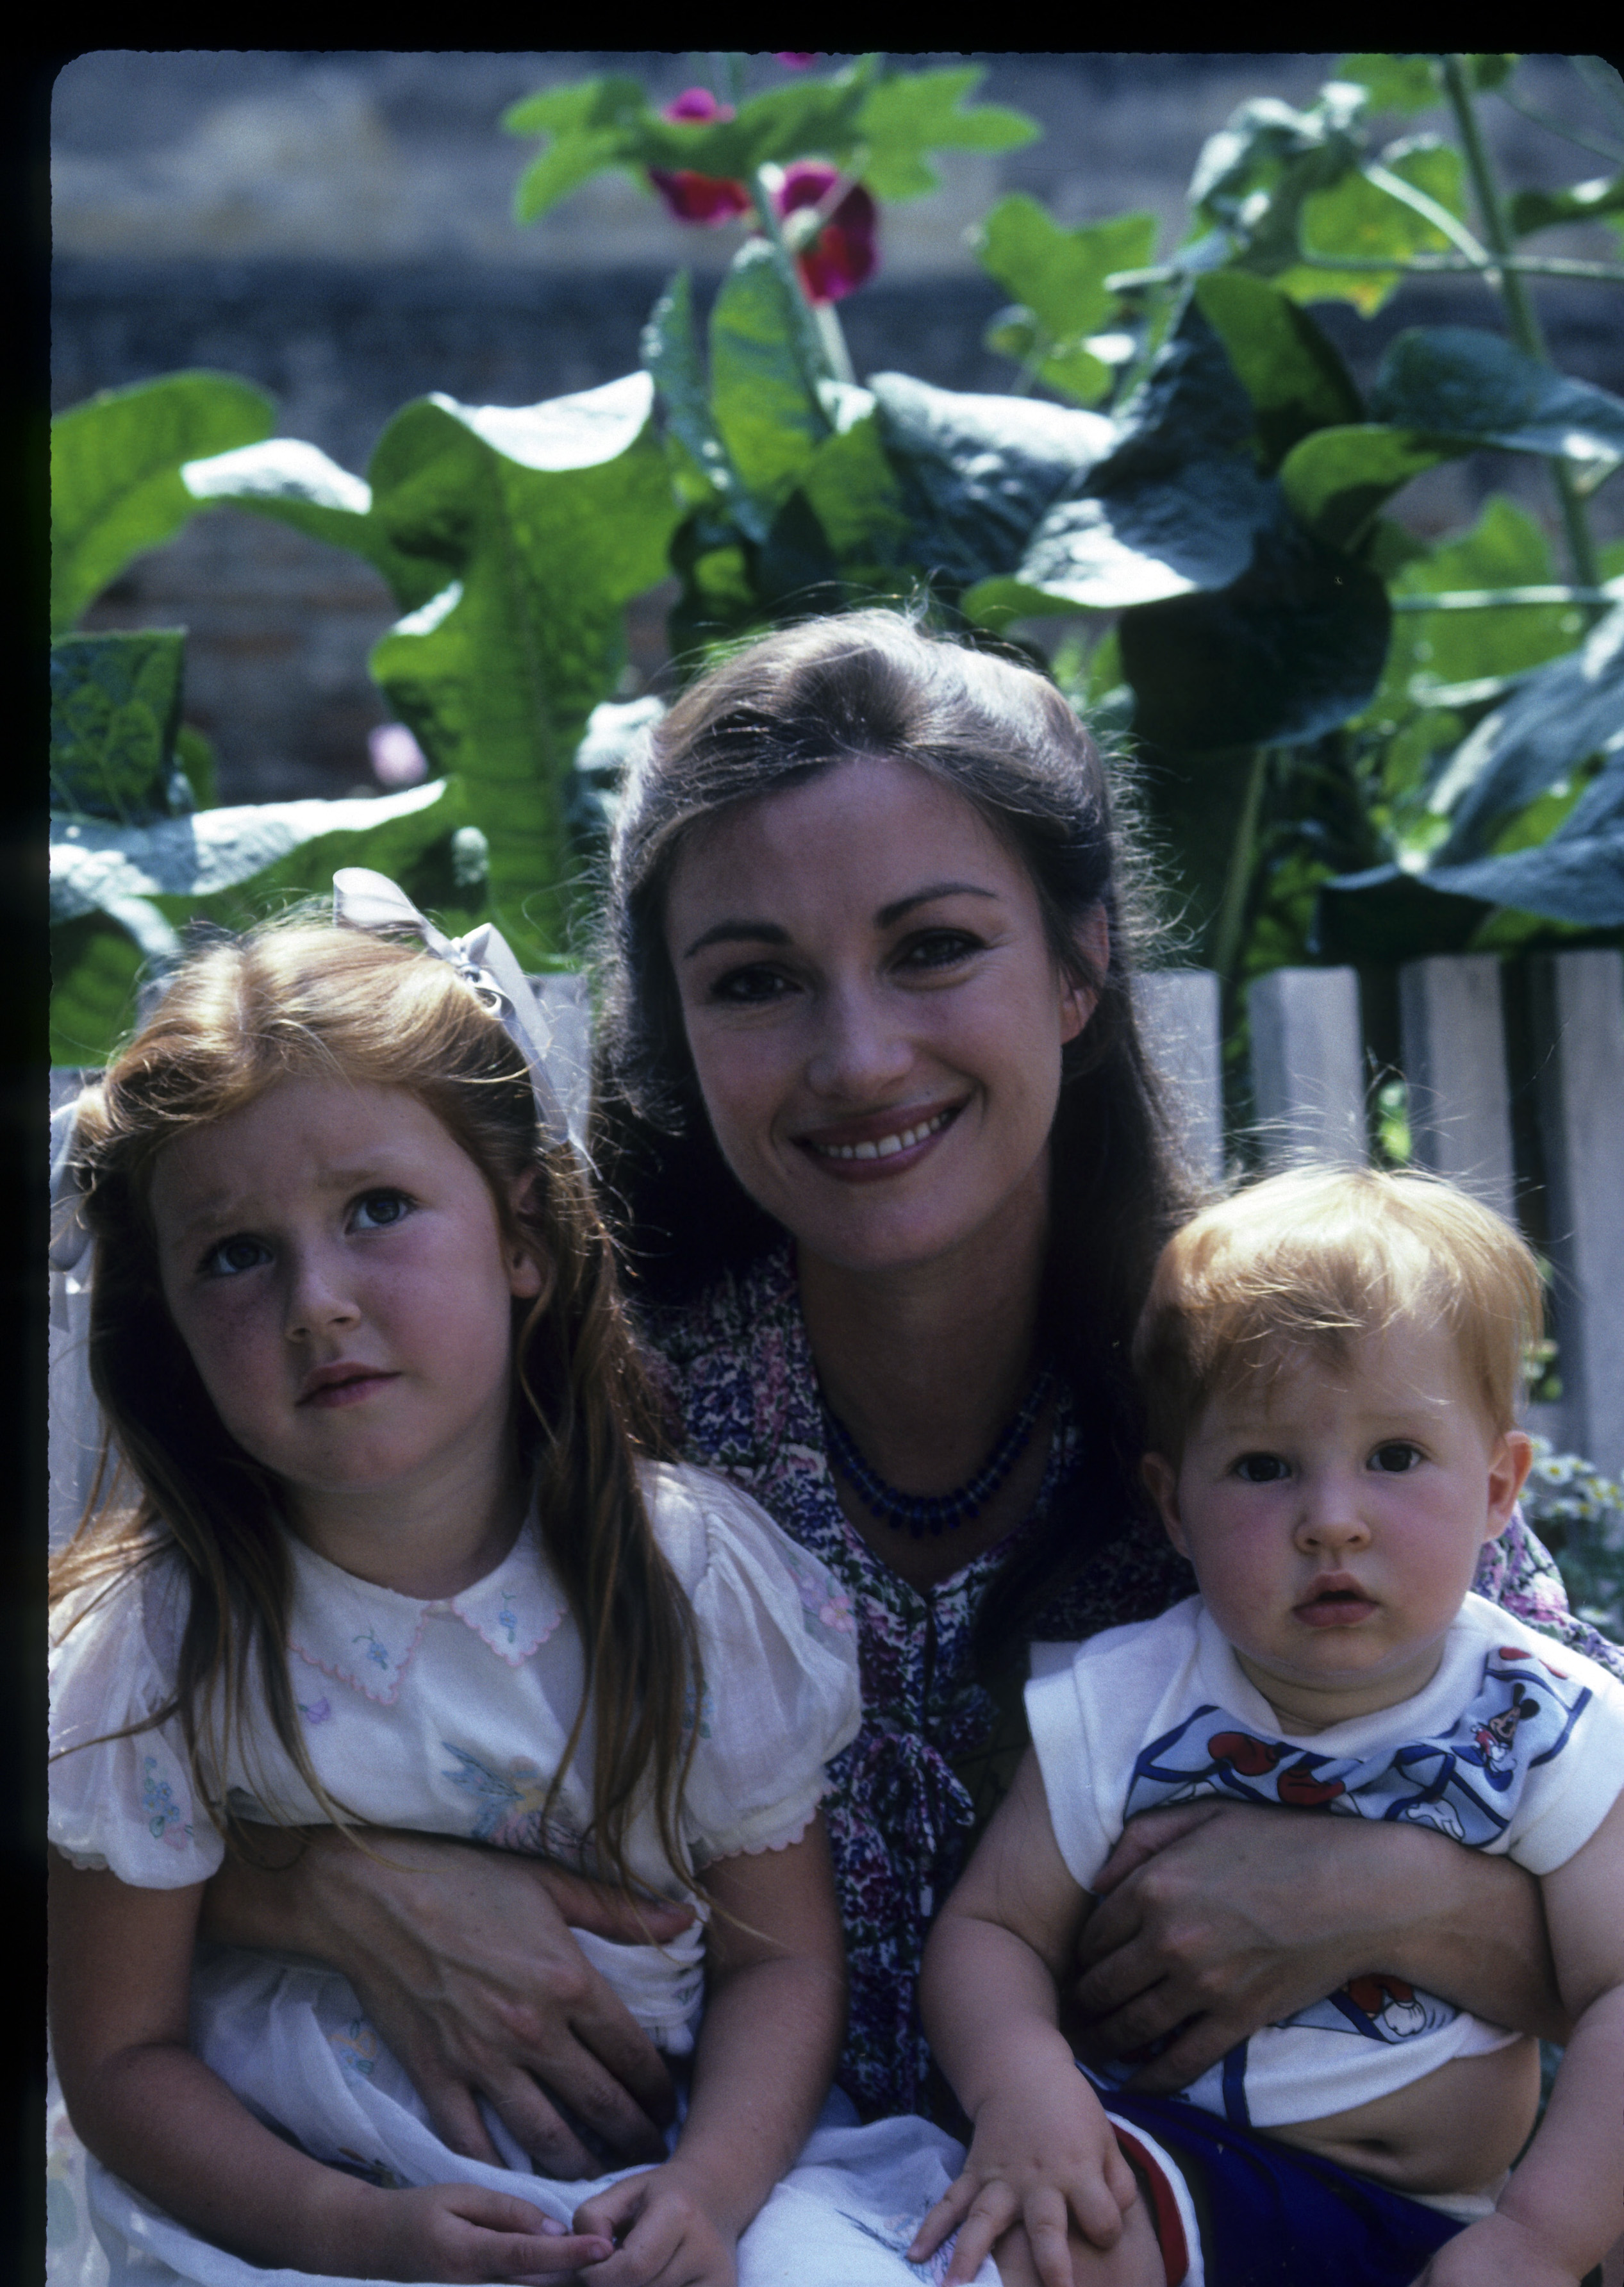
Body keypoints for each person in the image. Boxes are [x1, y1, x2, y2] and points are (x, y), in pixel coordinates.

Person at [174, 611, 1618, 2183]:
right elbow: (117, 1737)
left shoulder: (1290, 1395)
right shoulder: (552, 1416)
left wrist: (1416, 1903)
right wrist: (313, 1886)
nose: (856, 1055)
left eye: (933, 948)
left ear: (1078, 965)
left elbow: (1568, 1775)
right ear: (675, 1026)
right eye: (755, 981)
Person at [47, 893, 931, 2287]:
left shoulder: (685, 1581)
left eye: (377, 1211)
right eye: (234, 1253)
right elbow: (119, 2057)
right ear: (165, 1312)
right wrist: (350, 2234)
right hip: (302, 2205)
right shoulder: (161, 1645)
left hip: (676, 2169)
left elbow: (783, 1966)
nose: (316, 1299)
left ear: (522, 1238)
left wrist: (708, 2189)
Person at [914, 1168, 1624, 2287]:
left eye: (1394, 1457)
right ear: (1171, 1506)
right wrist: (1023, 2093)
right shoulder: (1126, 1698)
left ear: (1498, 1490)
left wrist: (1540, 2243)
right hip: (1176, 2170)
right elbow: (992, 1928)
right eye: (1263, 1466)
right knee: (1054, 2247)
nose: (1330, 1518)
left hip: (1455, 2228)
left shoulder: (1542, 1721)